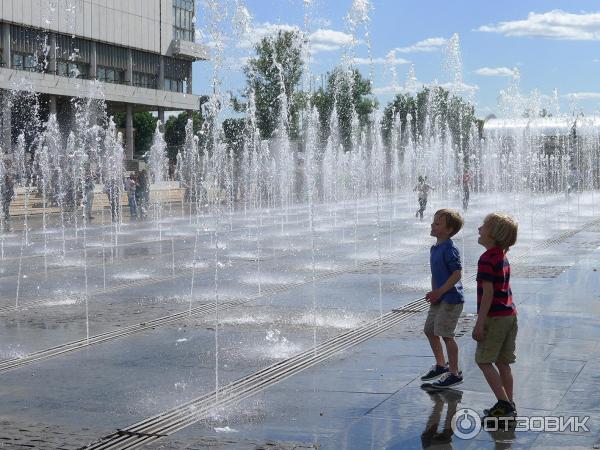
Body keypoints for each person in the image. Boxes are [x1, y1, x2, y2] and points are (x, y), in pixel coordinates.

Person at [473, 213, 518, 420]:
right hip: (510, 315)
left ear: (493, 235)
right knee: (503, 363)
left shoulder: (486, 259)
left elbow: (488, 294)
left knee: (483, 361)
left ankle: (503, 404)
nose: (479, 229)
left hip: (495, 317)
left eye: (483, 226)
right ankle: (509, 403)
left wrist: (479, 323)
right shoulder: (502, 255)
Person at [420, 208, 465, 389]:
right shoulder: (435, 248)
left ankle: (454, 373)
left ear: (449, 230)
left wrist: (441, 292)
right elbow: (434, 274)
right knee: (430, 330)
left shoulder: (449, 249)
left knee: (446, 335)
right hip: (440, 297)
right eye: (433, 222)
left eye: (437, 223)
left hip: (451, 298)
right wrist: (434, 293)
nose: (432, 225)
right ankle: (441, 365)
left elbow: (456, 274)